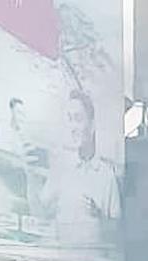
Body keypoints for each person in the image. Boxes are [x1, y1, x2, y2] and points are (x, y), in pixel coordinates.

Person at [37, 88, 120, 251]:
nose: (72, 127)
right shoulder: (60, 170)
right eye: (69, 119)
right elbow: (40, 212)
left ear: (92, 125)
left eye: (78, 119)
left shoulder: (106, 176)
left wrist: (98, 219)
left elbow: (116, 233)